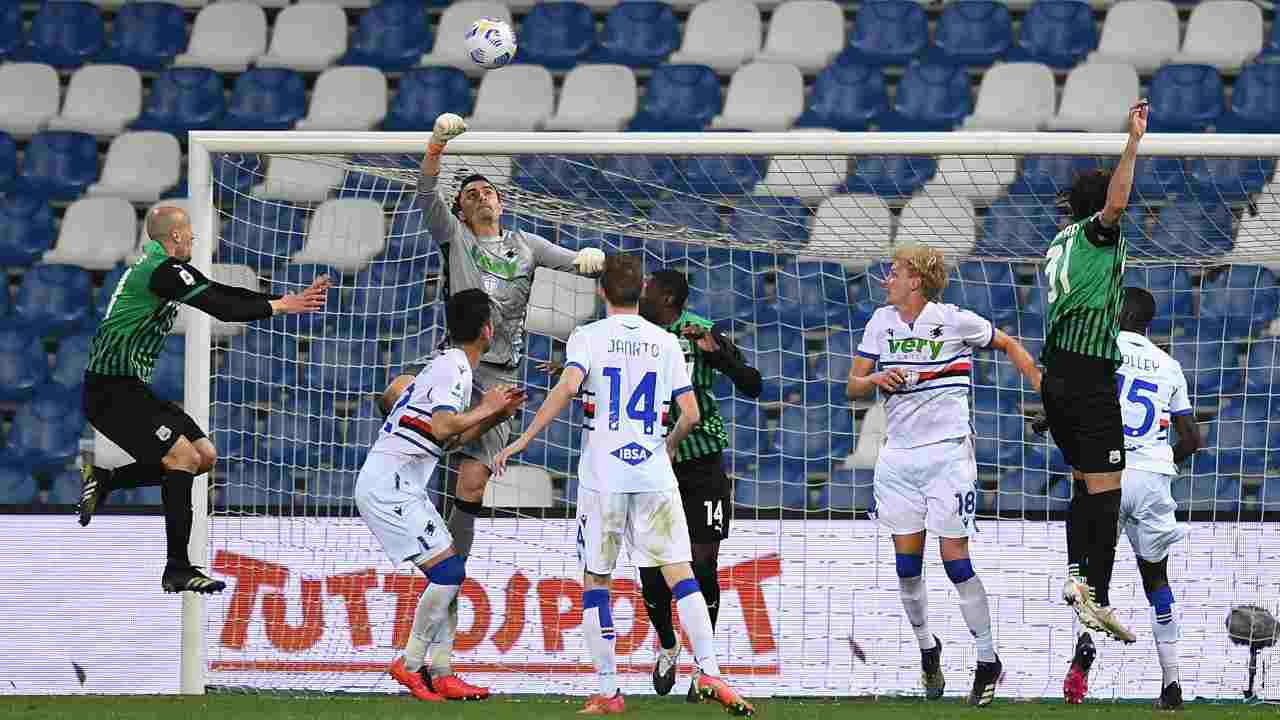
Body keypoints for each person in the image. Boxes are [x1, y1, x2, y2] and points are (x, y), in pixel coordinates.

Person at [493, 255, 753, 716]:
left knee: (597, 580)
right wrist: (667, 446)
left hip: (603, 476)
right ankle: (710, 670)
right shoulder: (666, 342)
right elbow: (691, 414)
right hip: (654, 472)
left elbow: (568, 388)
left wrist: (523, 440)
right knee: (681, 574)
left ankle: (610, 690)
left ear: (602, 292)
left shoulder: (588, 337)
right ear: (639, 294)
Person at [413, 112, 605, 690]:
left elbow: (574, 261)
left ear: (501, 201)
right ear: (463, 209)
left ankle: (448, 588)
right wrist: (437, 145)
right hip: (456, 371)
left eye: (487, 191)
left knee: (470, 486)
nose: (481, 199)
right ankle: (436, 572)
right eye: (470, 194)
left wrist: (588, 261)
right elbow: (425, 189)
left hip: (501, 385)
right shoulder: (455, 238)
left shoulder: (526, 244)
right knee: (424, 466)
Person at [78, 205, 330, 593]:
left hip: (128, 389)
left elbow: (219, 293)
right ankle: (177, 567)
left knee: (204, 456)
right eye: (190, 233)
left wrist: (280, 300)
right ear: (175, 236)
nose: (194, 239)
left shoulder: (159, 268)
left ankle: (107, 478)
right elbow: (222, 307)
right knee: (181, 458)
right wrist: (280, 306)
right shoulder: (162, 270)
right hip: (110, 391)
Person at [846, 245, 1042, 706]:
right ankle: (927, 649)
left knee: (956, 561)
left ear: (916, 281)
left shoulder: (954, 319)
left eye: (894, 272)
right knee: (906, 567)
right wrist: (875, 380)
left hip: (948, 458)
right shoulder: (880, 322)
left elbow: (1008, 342)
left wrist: (1040, 385)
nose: (886, 279)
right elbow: (853, 385)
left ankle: (987, 658)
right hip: (897, 459)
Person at [356, 289, 526, 703]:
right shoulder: (453, 369)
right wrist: (488, 406)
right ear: (487, 331)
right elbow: (447, 427)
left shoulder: (449, 366)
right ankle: (411, 665)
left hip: (400, 484)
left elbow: (446, 440)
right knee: (449, 574)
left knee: (450, 572)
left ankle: (444, 670)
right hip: (389, 487)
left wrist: (494, 416)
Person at [1058, 287, 1200, 710]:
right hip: (1153, 479)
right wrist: (1159, 462)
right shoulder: (1170, 365)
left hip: (1108, 473)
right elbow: (1193, 438)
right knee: (1156, 578)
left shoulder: (1099, 351)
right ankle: (1172, 686)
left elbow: (1071, 403)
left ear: (1112, 315)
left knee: (1082, 576)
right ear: (1148, 325)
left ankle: (1084, 643)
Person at [1041, 100, 1149, 644]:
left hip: (1055, 376)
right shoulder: (1094, 235)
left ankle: (1076, 576)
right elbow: (1118, 201)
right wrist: (1132, 141)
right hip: (1087, 375)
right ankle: (1098, 598)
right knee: (1107, 491)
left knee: (1083, 483)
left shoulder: (1059, 242)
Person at [635, 269, 762, 700]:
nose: (642, 293)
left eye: (648, 288)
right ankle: (667, 644)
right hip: (651, 465)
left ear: (668, 297)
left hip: (702, 464)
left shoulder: (702, 331)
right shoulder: (631, 333)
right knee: (652, 570)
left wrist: (719, 354)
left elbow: (754, 385)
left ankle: (701, 666)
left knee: (703, 564)